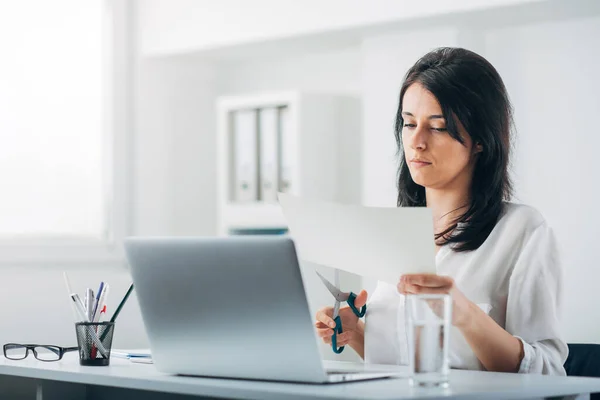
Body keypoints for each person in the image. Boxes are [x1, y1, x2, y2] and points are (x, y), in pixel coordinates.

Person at [314, 47, 568, 375]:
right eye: (408, 124)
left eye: (437, 127)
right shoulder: (399, 232)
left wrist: (462, 312)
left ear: (479, 139)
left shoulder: (523, 231)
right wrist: (357, 335)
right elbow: (408, 369)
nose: (416, 141)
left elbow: (549, 372)